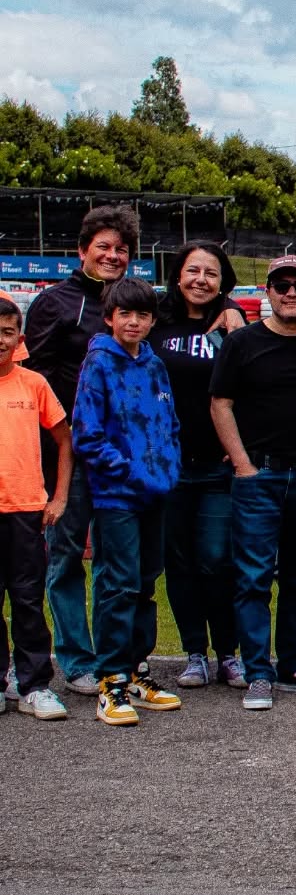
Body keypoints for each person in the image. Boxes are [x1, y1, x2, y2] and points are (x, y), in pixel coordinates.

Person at [210, 255, 296, 709]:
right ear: (267, 291)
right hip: (258, 476)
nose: (290, 293)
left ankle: (290, 665)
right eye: (281, 285)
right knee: (253, 578)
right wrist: (244, 465)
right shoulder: (242, 343)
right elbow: (220, 403)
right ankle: (257, 672)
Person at [24, 203, 138, 696]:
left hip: (120, 456)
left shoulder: (134, 304)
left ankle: (117, 656)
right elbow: (35, 379)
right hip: (68, 452)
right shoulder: (55, 302)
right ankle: (76, 659)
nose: (112, 256)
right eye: (103, 248)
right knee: (65, 554)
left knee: (116, 560)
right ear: (82, 252)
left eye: (121, 249)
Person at [70, 278, 183, 725]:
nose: (134, 322)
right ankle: (110, 679)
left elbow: (169, 424)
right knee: (117, 584)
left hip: (157, 490)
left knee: (145, 581)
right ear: (111, 317)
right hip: (118, 494)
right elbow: (88, 436)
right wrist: (131, 472)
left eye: (142, 315)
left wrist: (167, 470)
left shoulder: (154, 365)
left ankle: (137, 669)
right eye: (126, 314)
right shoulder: (99, 363)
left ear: (152, 321)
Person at [152, 242, 248, 689]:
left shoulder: (232, 326)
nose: (201, 280)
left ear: (223, 281)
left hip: (216, 466)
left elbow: (249, 389)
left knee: (215, 559)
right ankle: (194, 652)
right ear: (177, 275)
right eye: (193, 270)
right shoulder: (156, 323)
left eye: (211, 273)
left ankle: (228, 652)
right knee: (180, 563)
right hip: (167, 467)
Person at [0, 296, 72, 721]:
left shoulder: (33, 385)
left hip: (26, 509)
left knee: (27, 599)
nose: (0, 340)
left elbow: (65, 440)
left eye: (7, 332)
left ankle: (34, 685)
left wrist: (59, 496)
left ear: (20, 339)